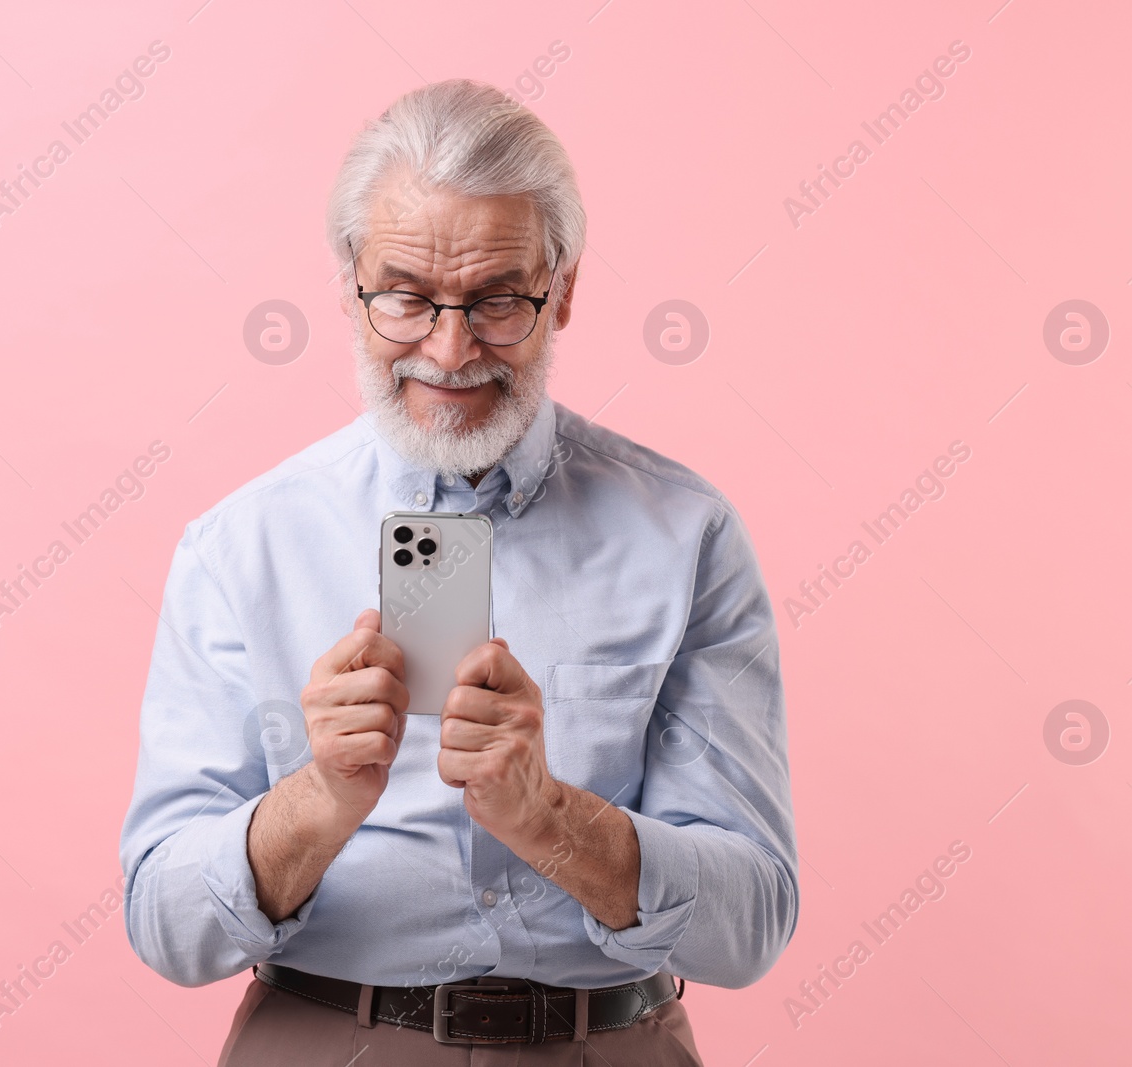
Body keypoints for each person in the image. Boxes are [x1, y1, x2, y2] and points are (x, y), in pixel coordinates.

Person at [119, 78, 798, 1065]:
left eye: (494, 301)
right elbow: (166, 927)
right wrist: (321, 797)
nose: (447, 349)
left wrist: (547, 815)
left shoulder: (685, 533)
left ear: (562, 289)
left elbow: (750, 926)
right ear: (350, 281)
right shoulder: (238, 546)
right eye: (405, 296)